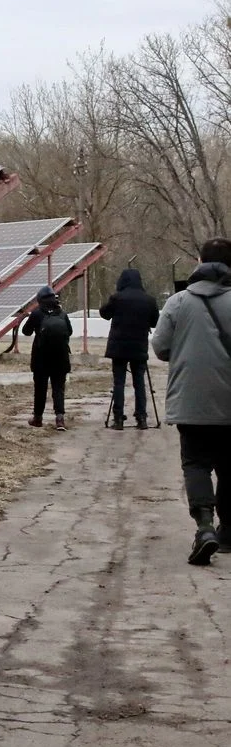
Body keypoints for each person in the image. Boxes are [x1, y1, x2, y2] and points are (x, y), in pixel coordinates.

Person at [151, 237, 231, 566]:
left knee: (196, 463)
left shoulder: (178, 302)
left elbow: (160, 347)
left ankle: (204, 527)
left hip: (191, 399)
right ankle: (227, 533)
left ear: (199, 262)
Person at [99, 268, 159, 430]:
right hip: (139, 347)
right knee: (139, 382)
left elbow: (104, 313)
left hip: (118, 347)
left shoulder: (117, 298)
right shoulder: (149, 300)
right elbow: (154, 322)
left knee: (119, 382)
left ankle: (118, 419)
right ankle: (142, 418)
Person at [22, 285, 73, 431]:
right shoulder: (62, 313)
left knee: (40, 388)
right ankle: (60, 419)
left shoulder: (37, 314)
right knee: (58, 388)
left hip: (41, 358)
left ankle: (38, 418)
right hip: (60, 357)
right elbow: (69, 331)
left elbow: (26, 332)